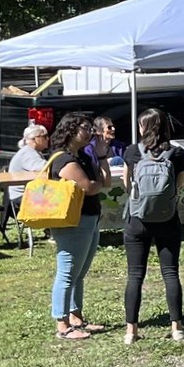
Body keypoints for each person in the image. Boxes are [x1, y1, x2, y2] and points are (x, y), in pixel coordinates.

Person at [120, 108, 184, 343]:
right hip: (167, 218)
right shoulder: (178, 154)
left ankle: (131, 331)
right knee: (170, 273)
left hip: (137, 220)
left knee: (135, 275)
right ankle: (177, 328)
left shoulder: (131, 152)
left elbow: (127, 183)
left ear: (143, 128)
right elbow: (178, 186)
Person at [44, 111, 111, 340]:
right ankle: (62, 325)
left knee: (79, 273)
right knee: (67, 272)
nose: (90, 132)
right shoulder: (63, 159)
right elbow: (89, 187)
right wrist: (96, 183)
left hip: (90, 218)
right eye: (85, 127)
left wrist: (101, 156)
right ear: (71, 130)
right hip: (72, 221)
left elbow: (106, 182)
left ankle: (76, 318)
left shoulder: (82, 156)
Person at [6, 122, 50, 214]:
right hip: (22, 196)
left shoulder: (33, 152)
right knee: (59, 199)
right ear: (35, 139)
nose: (48, 139)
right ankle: (51, 227)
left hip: (31, 193)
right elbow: (44, 167)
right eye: (45, 136)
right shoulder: (27, 153)